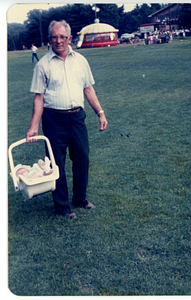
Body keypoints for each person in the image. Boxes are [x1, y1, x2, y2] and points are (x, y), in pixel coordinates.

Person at [26, 20, 108, 219]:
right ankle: (62, 207)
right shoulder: (43, 65)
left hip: (78, 118)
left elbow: (88, 88)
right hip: (54, 120)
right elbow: (39, 97)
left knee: (82, 159)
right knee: (56, 164)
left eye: (63, 36)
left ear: (70, 38)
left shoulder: (81, 61)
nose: (59, 40)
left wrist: (100, 112)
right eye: (54, 37)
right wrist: (34, 126)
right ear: (49, 39)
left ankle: (80, 199)